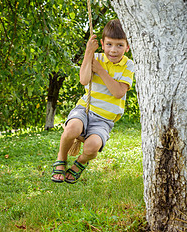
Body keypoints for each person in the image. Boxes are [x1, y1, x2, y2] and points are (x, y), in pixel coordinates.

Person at [51, 19, 134, 184]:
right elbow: (84, 80)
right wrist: (88, 53)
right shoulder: (95, 57)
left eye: (119, 45)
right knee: (72, 128)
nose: (113, 50)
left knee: (92, 147)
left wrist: (101, 71)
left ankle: (80, 163)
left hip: (104, 120)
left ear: (127, 46)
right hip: (85, 110)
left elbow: (118, 92)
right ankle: (61, 158)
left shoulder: (128, 65)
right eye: (109, 44)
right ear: (102, 44)